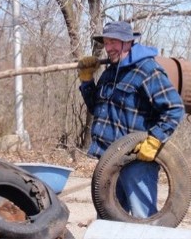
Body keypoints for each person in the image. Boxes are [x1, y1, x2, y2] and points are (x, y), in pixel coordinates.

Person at [78, 21, 185, 218]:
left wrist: (155, 140)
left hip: (137, 161)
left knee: (142, 220)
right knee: (108, 220)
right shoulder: (111, 71)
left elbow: (174, 108)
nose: (109, 48)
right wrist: (86, 81)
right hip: (109, 161)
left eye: (114, 42)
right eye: (106, 43)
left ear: (128, 42)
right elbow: (97, 108)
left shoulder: (148, 70)